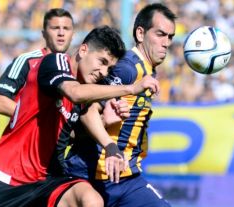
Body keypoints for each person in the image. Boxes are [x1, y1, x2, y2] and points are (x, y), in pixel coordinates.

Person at [0, 25, 159, 207]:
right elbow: (74, 93)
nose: (103, 72)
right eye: (102, 62)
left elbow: (74, 133)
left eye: (109, 69)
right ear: (83, 50)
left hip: (47, 181)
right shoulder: (57, 62)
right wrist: (131, 88)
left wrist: (105, 126)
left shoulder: (86, 94)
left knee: (91, 200)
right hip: (6, 178)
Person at [64, 3, 176, 207]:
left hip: (125, 178)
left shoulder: (146, 69)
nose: (166, 42)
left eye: (170, 37)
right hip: (92, 174)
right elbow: (87, 110)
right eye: (160, 34)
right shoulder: (127, 68)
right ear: (140, 34)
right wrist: (110, 145)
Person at [0, 8, 74, 117]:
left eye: (66, 28)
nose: (61, 33)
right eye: (55, 28)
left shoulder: (74, 67)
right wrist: (40, 120)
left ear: (73, 34)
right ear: (44, 33)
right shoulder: (27, 60)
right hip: (24, 134)